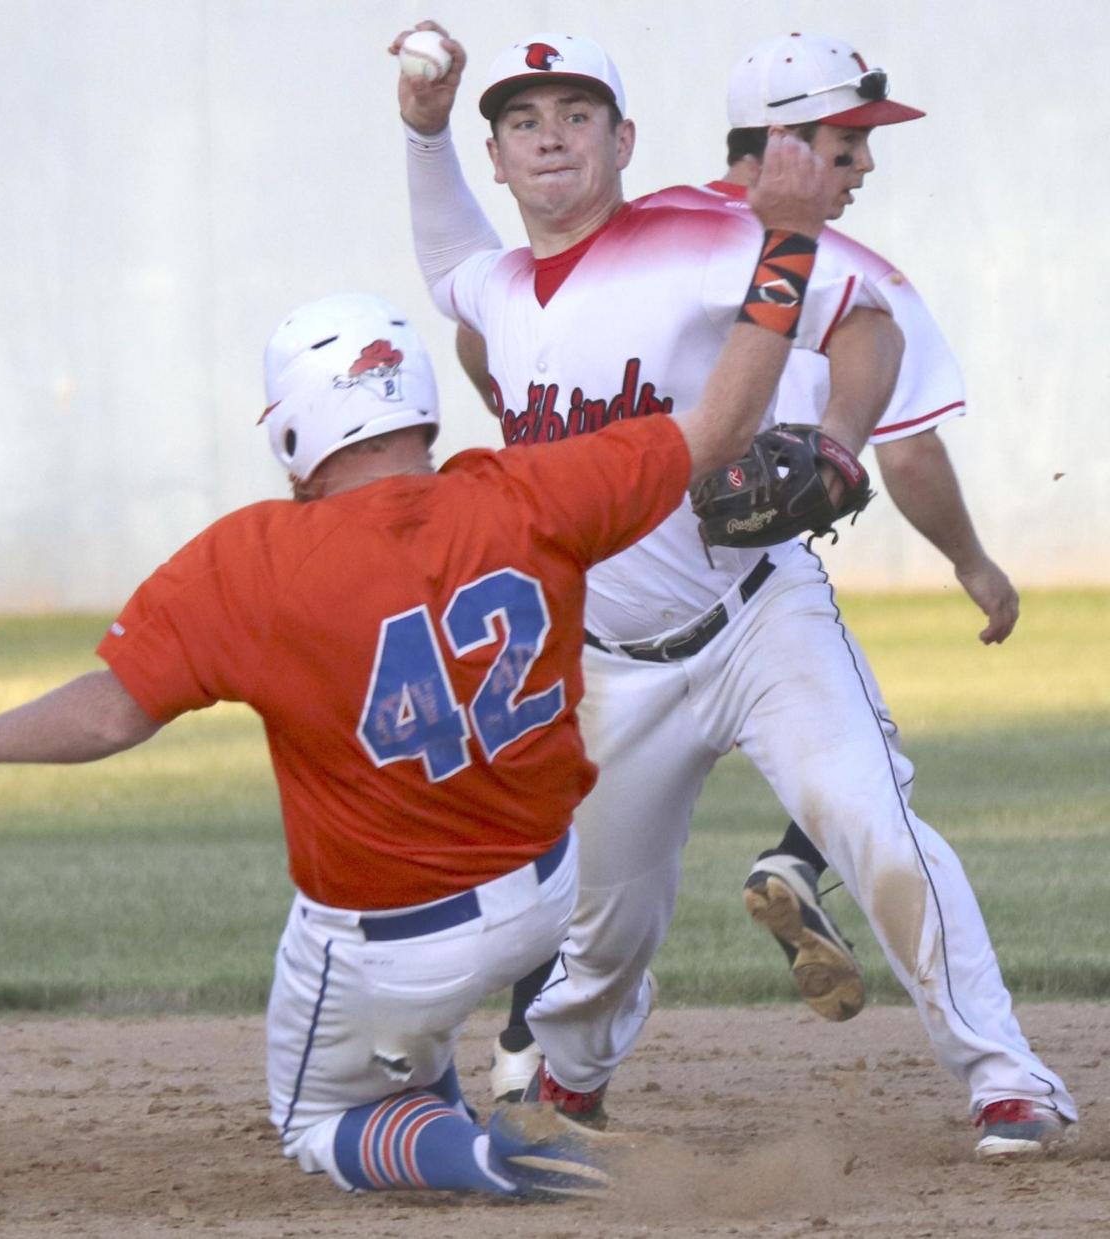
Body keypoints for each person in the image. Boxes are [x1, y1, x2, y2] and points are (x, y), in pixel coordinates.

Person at [0, 134, 840, 1199]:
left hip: (390, 938)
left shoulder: (251, 560)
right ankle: (462, 1086)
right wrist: (790, 236)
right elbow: (725, 416)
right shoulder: (533, 492)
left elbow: (111, 716)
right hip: (547, 895)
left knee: (316, 1121)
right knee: (415, 1021)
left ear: (296, 430)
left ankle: (494, 1159)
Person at [392, 22, 1076, 1158]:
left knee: (875, 826)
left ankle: (1010, 1079)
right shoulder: (497, 287)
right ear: (499, 159)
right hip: (610, 659)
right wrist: (422, 135)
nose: (550, 137)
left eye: (576, 116)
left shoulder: (699, 236)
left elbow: (864, 318)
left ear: (624, 141)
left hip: (759, 617)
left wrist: (843, 446)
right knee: (606, 929)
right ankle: (569, 1078)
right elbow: (449, 267)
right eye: (522, 121)